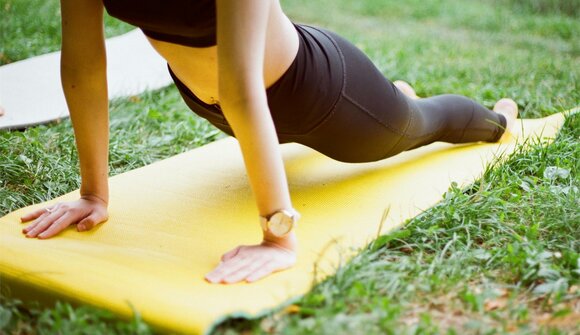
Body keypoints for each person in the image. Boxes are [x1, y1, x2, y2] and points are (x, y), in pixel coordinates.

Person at [20, 0, 518, 284]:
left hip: (323, 94)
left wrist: (278, 235)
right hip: (220, 107)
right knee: (390, 114)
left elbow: (242, 84)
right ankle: (394, 95)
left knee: (416, 123)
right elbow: (85, 66)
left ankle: (498, 118)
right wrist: (94, 194)